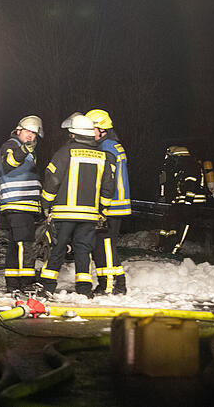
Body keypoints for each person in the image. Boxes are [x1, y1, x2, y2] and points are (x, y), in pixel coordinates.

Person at [38, 114, 116, 296]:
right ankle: (84, 289)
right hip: (89, 216)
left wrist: (46, 204)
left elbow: (52, 180)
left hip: (64, 214)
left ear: (73, 134)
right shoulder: (102, 157)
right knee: (83, 252)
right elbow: (108, 187)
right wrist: (102, 210)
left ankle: (47, 287)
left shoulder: (65, 152)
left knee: (57, 249)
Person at [85, 108, 130, 295]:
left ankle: (111, 286)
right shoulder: (112, 145)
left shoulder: (106, 148)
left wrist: (101, 205)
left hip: (110, 205)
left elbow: (106, 180)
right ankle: (114, 284)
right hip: (114, 204)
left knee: (105, 246)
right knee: (103, 246)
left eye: (90, 129)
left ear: (101, 129)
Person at [0, 115, 44, 293]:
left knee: (15, 244)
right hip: (17, 202)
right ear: (18, 130)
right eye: (27, 132)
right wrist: (24, 150)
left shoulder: (28, 150)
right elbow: (9, 164)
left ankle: (14, 282)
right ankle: (27, 281)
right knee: (25, 243)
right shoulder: (11, 146)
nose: (31, 136)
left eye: (34, 133)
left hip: (25, 204)